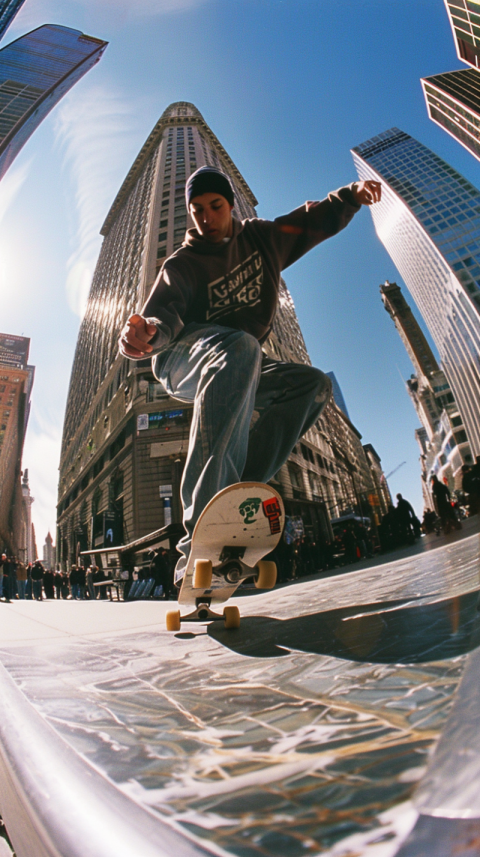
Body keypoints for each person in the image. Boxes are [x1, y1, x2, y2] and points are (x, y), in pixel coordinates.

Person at [119, 166, 381, 584]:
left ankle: (237, 498)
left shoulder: (261, 239)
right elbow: (160, 314)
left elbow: (310, 221)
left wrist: (351, 195)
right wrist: (147, 334)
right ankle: (199, 540)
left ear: (230, 205)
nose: (206, 217)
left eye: (215, 207)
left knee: (312, 385)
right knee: (240, 344)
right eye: (198, 210)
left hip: (242, 363)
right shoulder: (183, 262)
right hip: (181, 358)